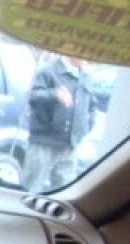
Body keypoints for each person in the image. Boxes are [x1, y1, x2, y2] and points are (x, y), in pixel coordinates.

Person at [24, 55, 97, 192]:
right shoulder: (48, 71)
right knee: (31, 189)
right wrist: (54, 94)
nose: (86, 55)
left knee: (63, 192)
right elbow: (31, 96)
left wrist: (85, 128)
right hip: (43, 143)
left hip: (70, 146)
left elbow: (92, 106)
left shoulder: (86, 76)